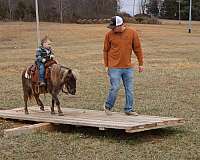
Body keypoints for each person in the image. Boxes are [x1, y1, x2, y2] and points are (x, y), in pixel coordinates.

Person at [103, 16, 144, 116]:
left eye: (113, 27)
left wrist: (141, 63)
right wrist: (106, 65)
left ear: (120, 25)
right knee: (115, 87)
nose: (112, 29)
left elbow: (137, 49)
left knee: (129, 89)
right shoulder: (109, 35)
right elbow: (105, 50)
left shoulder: (132, 33)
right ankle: (108, 106)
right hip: (114, 67)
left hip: (128, 67)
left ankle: (128, 109)